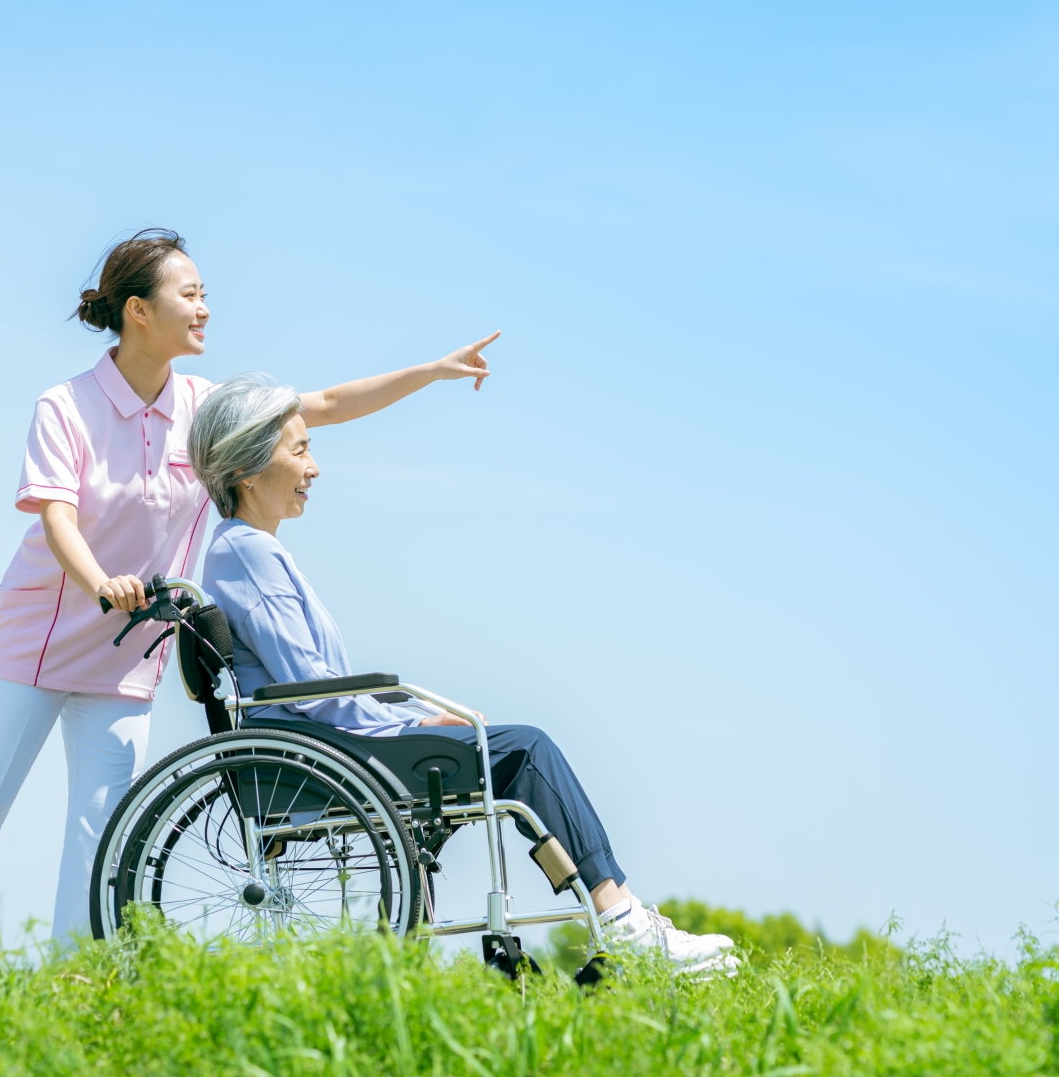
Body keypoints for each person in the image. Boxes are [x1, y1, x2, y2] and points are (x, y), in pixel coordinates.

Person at [0, 229, 501, 969]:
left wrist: (431, 372)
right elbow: (57, 516)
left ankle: (78, 978)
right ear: (139, 310)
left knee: (103, 829)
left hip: (126, 657)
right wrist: (99, 584)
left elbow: (328, 403)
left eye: (206, 294)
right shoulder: (68, 405)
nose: (206, 308)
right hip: (34, 646)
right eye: (191, 294)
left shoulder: (205, 409)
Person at [192, 374, 740, 973]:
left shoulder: (247, 548)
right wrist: (414, 718)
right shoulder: (246, 550)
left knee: (508, 751)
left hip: (328, 745)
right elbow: (311, 687)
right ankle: (620, 918)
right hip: (331, 752)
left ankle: (613, 916)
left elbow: (313, 684)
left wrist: (414, 716)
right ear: (247, 469)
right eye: (299, 450)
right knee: (527, 750)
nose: (314, 467)